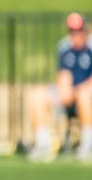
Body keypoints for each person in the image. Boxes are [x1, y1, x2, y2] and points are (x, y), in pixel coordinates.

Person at [27, 12, 92, 162]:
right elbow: (63, 75)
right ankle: (43, 145)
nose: (75, 35)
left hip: (86, 94)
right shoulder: (64, 48)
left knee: (84, 94)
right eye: (72, 31)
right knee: (37, 94)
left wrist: (81, 90)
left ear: (85, 30)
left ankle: (88, 145)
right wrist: (65, 87)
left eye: (78, 31)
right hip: (71, 94)